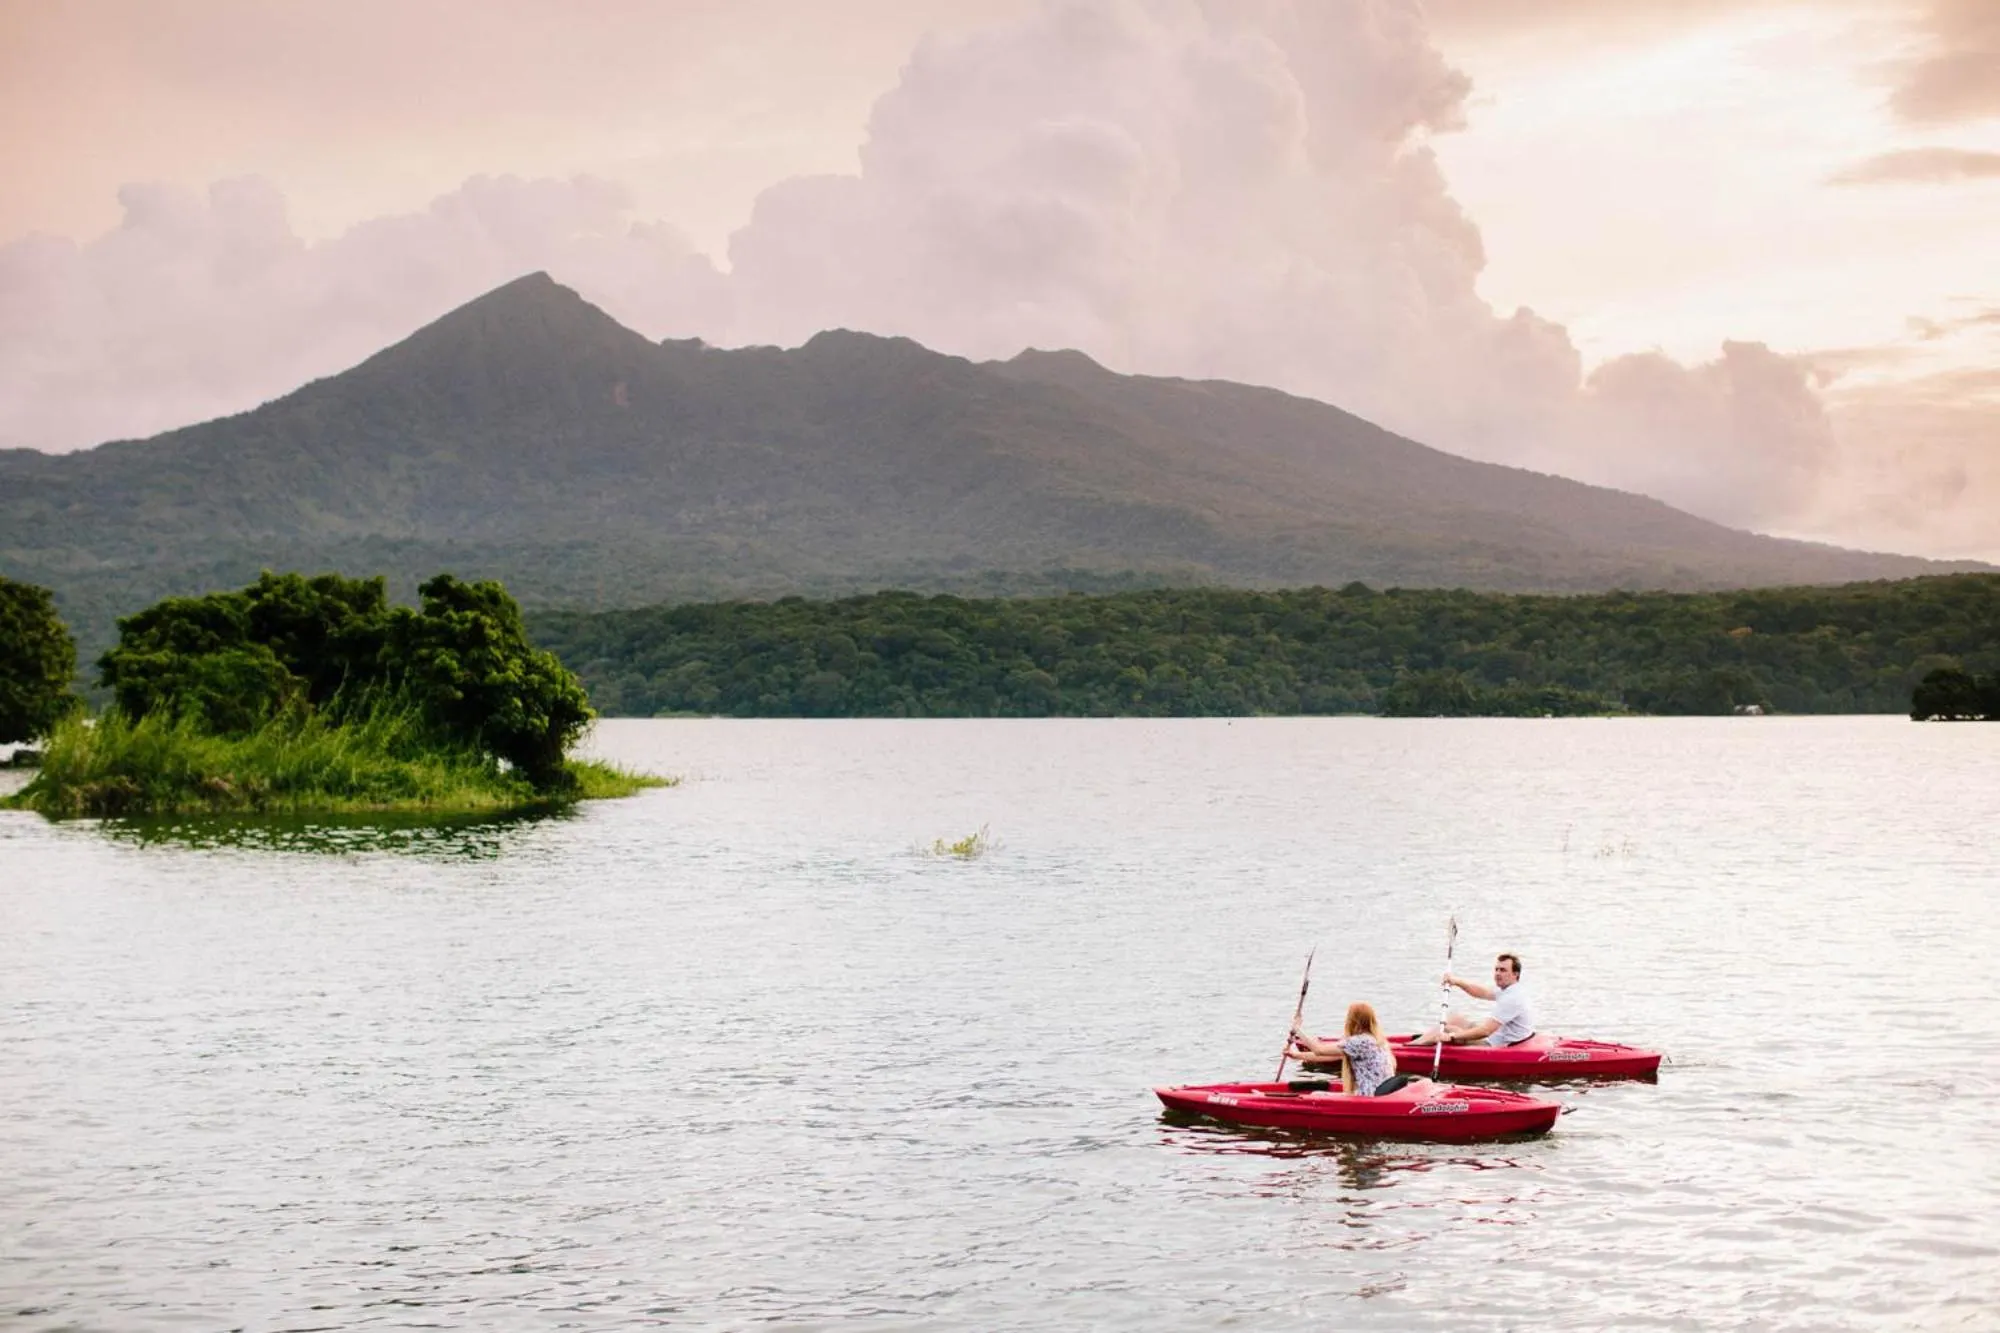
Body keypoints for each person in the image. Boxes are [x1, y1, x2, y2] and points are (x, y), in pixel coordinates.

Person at [1288, 1001, 1422, 1096]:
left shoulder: (1360, 1042)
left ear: (1353, 1021)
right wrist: (1298, 1055)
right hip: (1384, 1090)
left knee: (1317, 1095)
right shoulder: (1378, 1039)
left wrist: (1297, 1030)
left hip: (1370, 1095)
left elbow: (1319, 1050)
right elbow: (1331, 1056)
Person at [1406, 951, 1535, 1047]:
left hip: (1495, 1044)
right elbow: (1482, 992)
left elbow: (1485, 1031)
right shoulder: (1509, 989)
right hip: (1495, 1036)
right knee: (1456, 1018)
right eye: (1496, 969)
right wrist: (1456, 981)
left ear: (1515, 974)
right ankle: (1422, 1041)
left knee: (1447, 1028)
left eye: (1503, 970)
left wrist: (1451, 1036)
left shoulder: (1512, 998)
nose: (1497, 973)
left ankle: (1412, 1047)